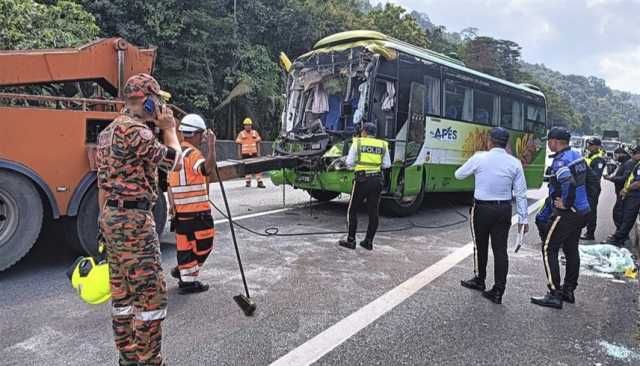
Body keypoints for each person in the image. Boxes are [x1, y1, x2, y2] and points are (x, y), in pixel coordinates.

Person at [96, 73, 181, 365]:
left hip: (110, 216)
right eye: (156, 101)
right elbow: (174, 162)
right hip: (134, 219)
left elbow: (100, 183)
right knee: (150, 297)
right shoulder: (137, 132)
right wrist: (168, 129)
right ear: (146, 101)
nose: (158, 107)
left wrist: (102, 223)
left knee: (122, 294)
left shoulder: (107, 133)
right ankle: (149, 360)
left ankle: (128, 356)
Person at [454, 127, 529, 304]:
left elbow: (459, 175)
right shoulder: (514, 163)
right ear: (506, 144)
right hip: (503, 210)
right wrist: (523, 220)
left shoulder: (480, 157)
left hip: (482, 209)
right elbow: (521, 193)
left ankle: (480, 279)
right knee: (500, 250)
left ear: (489, 141)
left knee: (481, 246)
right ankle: (498, 291)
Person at [531, 127, 590, 309]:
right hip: (582, 211)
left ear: (555, 141)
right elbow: (590, 180)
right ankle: (568, 290)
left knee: (549, 248)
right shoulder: (576, 156)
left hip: (567, 213)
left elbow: (568, 183)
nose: (548, 143)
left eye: (549, 140)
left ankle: (554, 293)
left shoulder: (560, 161)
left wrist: (566, 203)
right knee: (571, 249)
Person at [167, 114, 217, 294]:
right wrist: (212, 147)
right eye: (202, 134)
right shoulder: (193, 154)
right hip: (197, 214)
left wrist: (172, 207)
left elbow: (169, 186)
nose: (203, 138)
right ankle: (185, 271)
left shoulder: (175, 155)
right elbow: (207, 169)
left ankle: (187, 281)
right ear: (195, 134)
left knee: (185, 247)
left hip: (180, 214)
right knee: (205, 245)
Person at [338, 122, 391, 251]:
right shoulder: (383, 144)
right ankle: (368, 241)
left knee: (352, 210)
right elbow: (387, 165)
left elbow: (349, 163)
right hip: (377, 181)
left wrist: (355, 164)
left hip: (362, 180)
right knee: (373, 212)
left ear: (365, 132)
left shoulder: (358, 143)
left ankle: (351, 240)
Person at [602, 145, 640, 247]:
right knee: (625, 216)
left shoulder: (634, 164)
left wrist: (626, 189)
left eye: (634, 153)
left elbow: (638, 182)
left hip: (635, 195)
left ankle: (618, 239)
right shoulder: (636, 163)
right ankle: (619, 237)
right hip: (631, 193)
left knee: (627, 217)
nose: (632, 155)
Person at [604, 147, 634, 234]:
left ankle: (620, 234)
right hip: (620, 192)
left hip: (624, 193)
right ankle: (620, 233)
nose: (615, 157)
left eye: (616, 155)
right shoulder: (624, 163)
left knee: (618, 213)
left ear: (622, 154)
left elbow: (624, 178)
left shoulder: (629, 163)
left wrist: (611, 178)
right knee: (619, 213)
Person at [580, 137, 605, 241]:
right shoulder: (590, 155)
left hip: (592, 188)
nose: (588, 146)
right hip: (585, 186)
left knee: (591, 211)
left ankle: (590, 233)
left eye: (591, 144)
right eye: (588, 144)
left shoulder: (599, 159)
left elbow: (596, 176)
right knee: (583, 209)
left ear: (598, 146)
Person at [235, 117, 265, 188]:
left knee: (257, 167)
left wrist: (259, 153)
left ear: (251, 125)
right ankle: (248, 182)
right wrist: (239, 155)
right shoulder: (241, 134)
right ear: (244, 126)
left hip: (254, 153)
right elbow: (239, 144)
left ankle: (259, 182)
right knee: (247, 168)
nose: (248, 126)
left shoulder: (254, 132)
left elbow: (258, 143)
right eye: (246, 125)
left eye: (249, 125)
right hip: (245, 154)